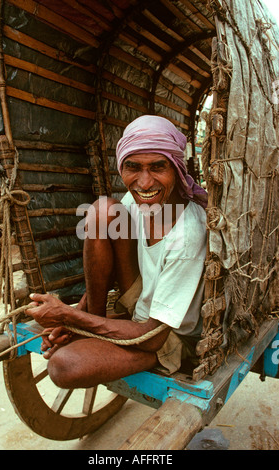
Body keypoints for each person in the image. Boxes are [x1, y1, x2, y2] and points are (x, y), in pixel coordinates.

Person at [26, 115, 208, 389]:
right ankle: (94, 321)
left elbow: (153, 336)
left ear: (177, 169)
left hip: (166, 336)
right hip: (139, 306)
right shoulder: (133, 201)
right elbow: (105, 262)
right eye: (133, 167)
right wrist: (82, 318)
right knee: (101, 211)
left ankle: (91, 326)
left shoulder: (188, 233)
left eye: (158, 167)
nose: (144, 183)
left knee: (64, 366)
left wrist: (70, 317)